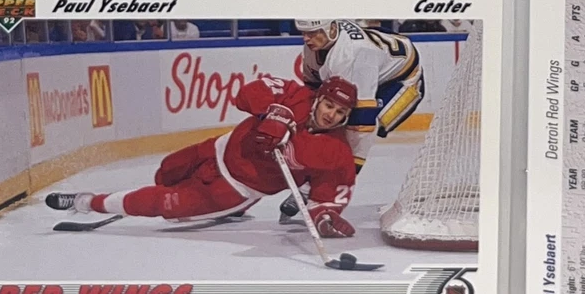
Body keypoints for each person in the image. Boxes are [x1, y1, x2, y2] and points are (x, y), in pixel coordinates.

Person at [46, 75, 360, 239]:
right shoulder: (294, 95)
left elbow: (328, 196)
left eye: (340, 112)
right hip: (217, 149)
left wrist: (325, 219)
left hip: (232, 190)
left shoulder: (336, 152)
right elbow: (246, 94)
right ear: (318, 99)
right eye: (329, 105)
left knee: (163, 203)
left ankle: (86, 202)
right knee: (165, 172)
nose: (331, 115)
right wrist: (274, 112)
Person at [278, 19, 425, 219]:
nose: (306, 38)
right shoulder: (315, 43)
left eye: (312, 33)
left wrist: (347, 169)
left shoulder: (355, 55)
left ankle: (310, 192)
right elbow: (312, 93)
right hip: (377, 59)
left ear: (331, 29)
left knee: (355, 128)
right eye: (303, 33)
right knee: (325, 117)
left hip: (400, 80)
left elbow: (362, 124)